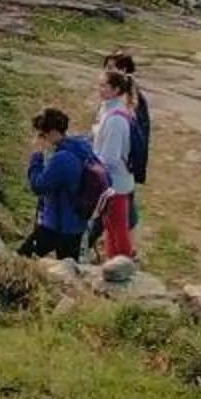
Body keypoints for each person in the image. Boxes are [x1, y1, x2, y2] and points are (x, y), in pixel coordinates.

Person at [18, 107, 99, 260]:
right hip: (76, 224)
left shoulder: (61, 159)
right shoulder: (80, 147)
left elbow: (38, 186)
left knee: (21, 259)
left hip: (57, 225)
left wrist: (36, 157)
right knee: (69, 267)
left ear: (53, 132)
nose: (40, 140)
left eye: (42, 135)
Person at [91, 67, 140, 261]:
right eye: (100, 85)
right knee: (111, 229)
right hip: (116, 182)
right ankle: (113, 264)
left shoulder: (115, 120)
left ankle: (123, 267)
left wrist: (91, 162)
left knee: (118, 231)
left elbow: (110, 158)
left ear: (116, 90)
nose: (100, 89)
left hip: (115, 184)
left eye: (104, 86)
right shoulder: (111, 111)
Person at [106, 50, 151, 236]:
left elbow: (137, 136)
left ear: (123, 70)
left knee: (120, 204)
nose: (105, 72)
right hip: (125, 163)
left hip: (123, 163)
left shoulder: (131, 99)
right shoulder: (122, 96)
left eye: (110, 68)